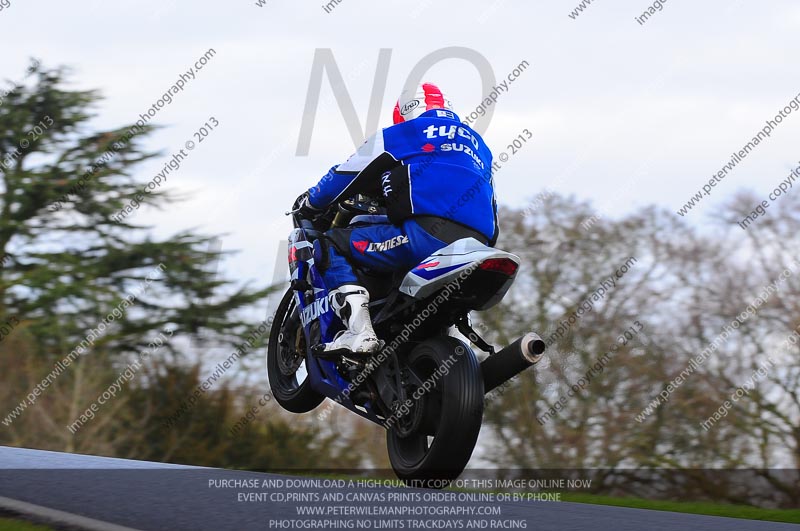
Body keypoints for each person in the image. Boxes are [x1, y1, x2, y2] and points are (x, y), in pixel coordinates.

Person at [294, 82, 497, 355]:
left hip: (426, 235)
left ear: (404, 113)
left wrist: (311, 202)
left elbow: (345, 174)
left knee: (331, 244)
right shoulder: (480, 146)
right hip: (480, 244)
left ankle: (359, 332)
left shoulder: (404, 132)